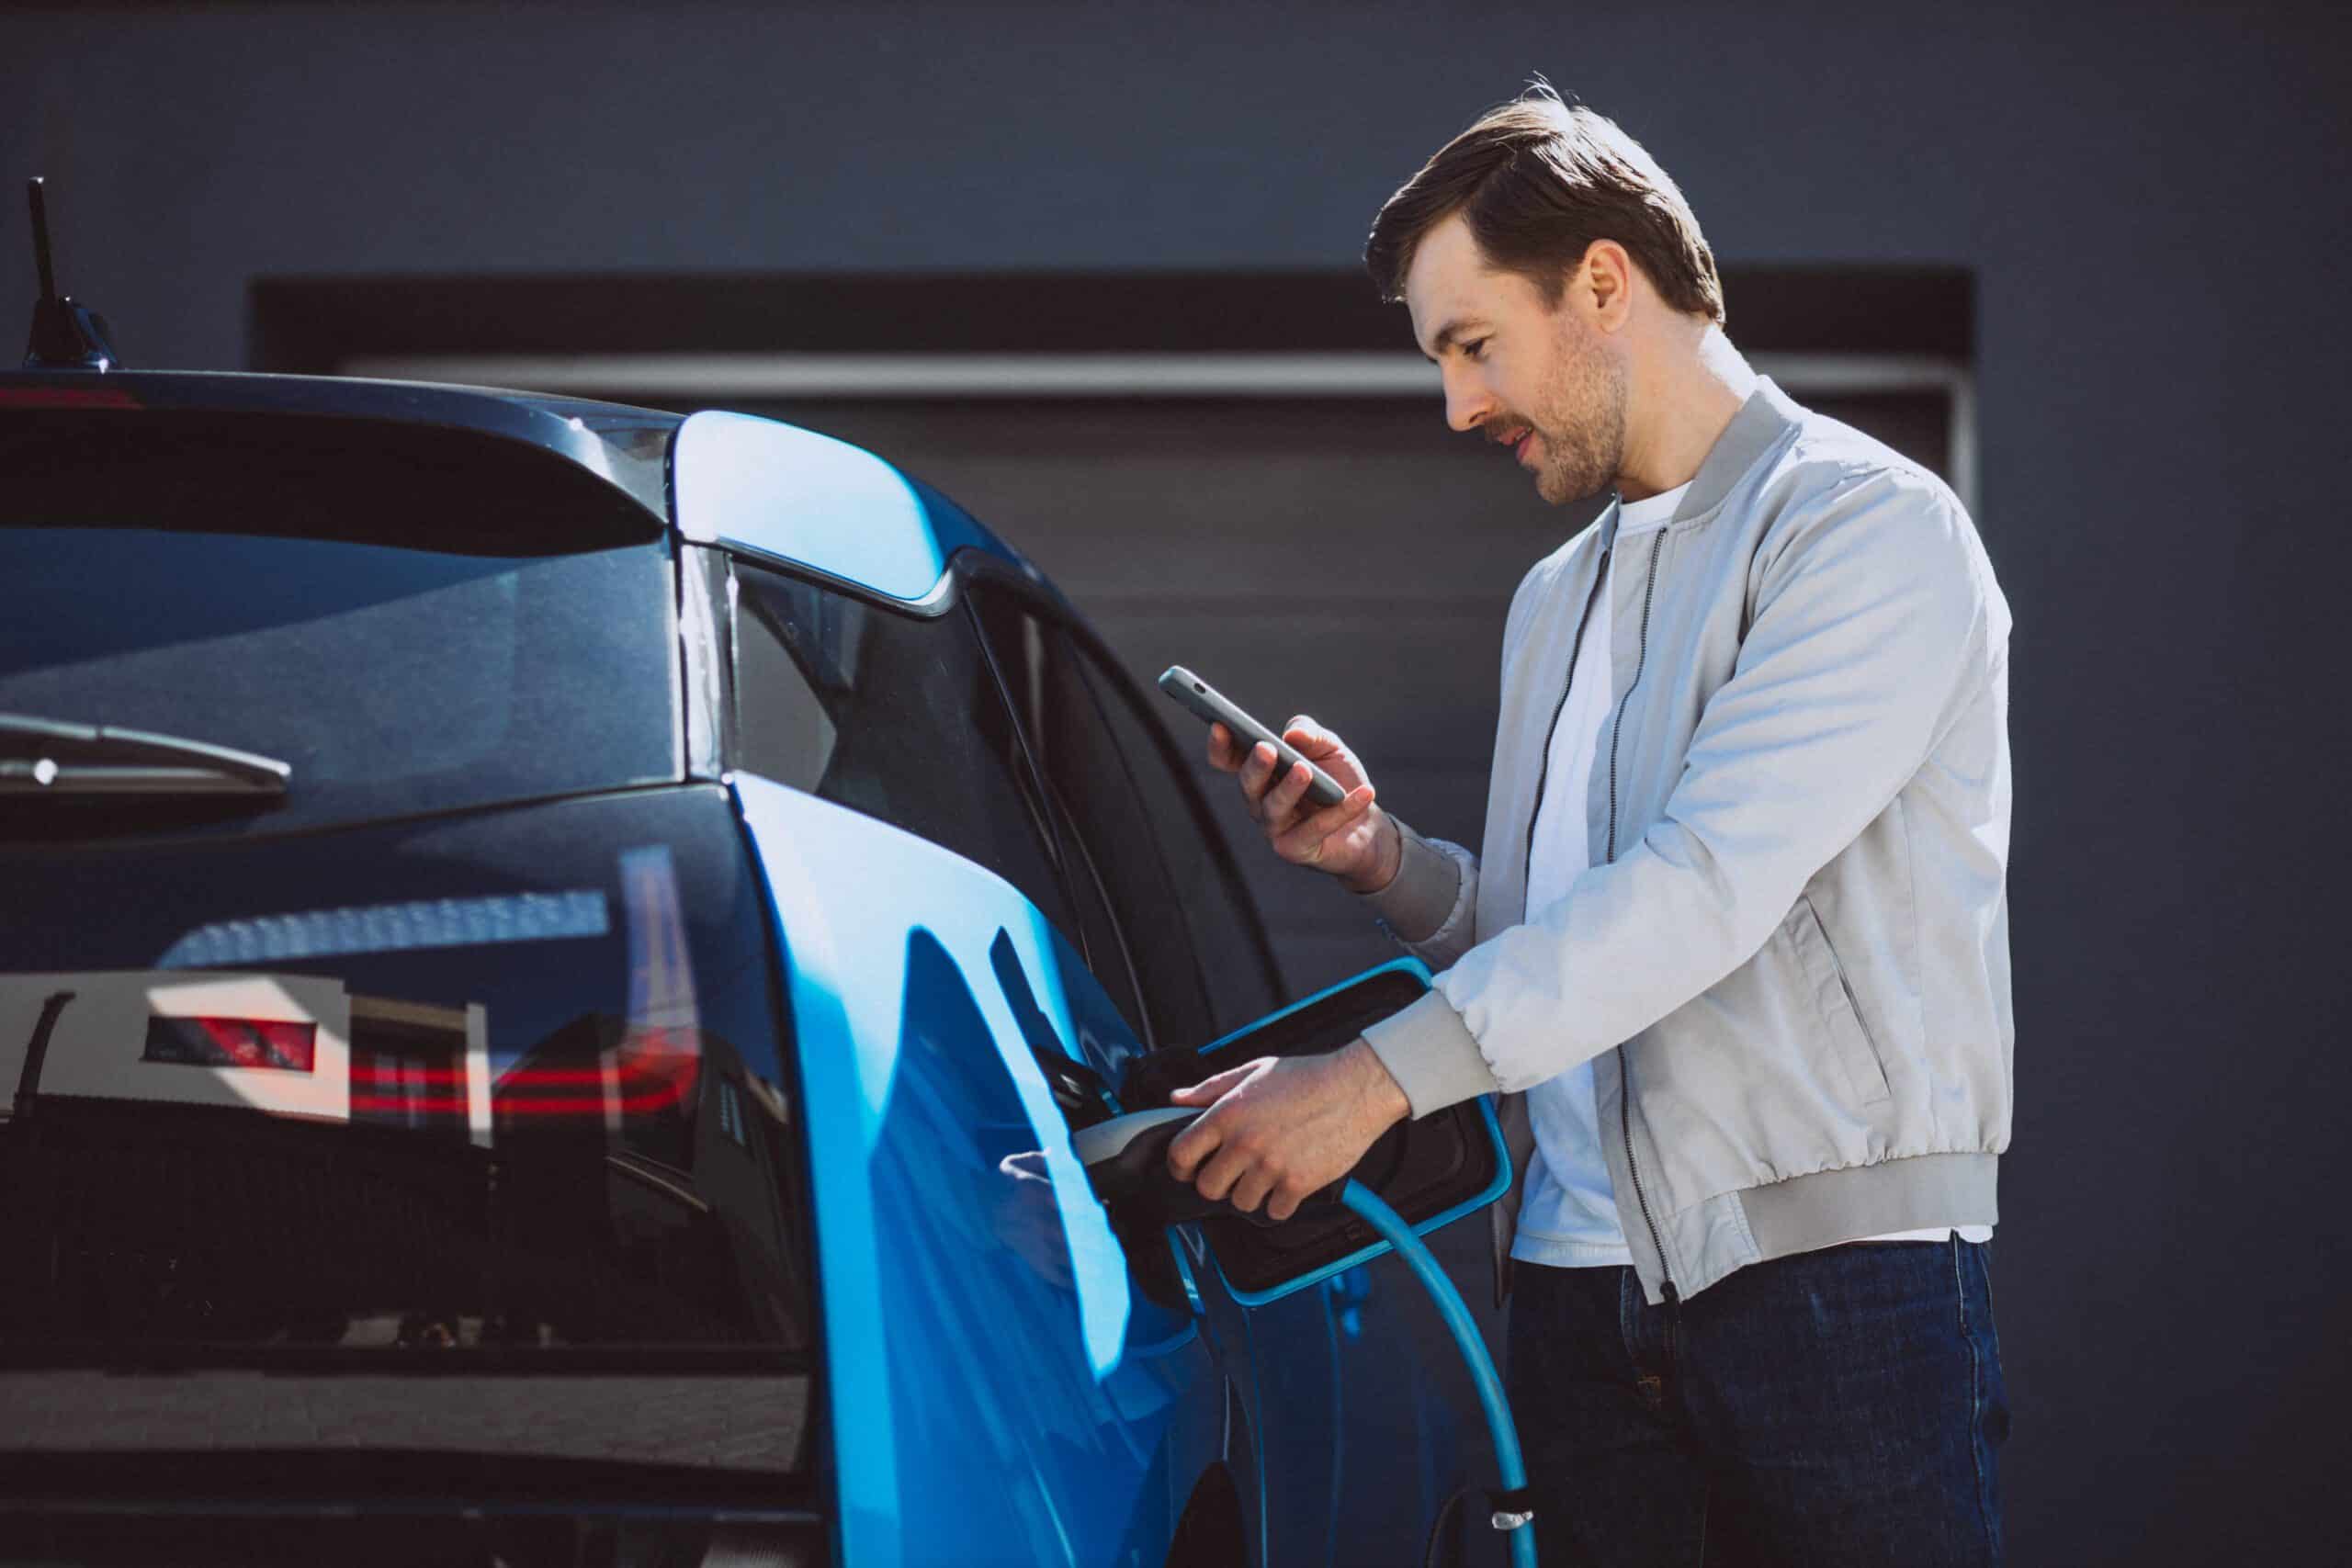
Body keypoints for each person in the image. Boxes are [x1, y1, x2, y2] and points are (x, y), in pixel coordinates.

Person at [1163, 85, 2012, 1566]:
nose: (1459, 405)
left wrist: (1371, 1084)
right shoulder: (1553, 598)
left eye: (1473, 344)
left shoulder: (1865, 531)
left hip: (1825, 1293)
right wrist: (1390, 866)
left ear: (1604, 283)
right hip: (1567, 1295)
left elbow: (1700, 893)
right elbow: (1573, 937)